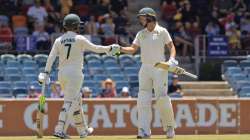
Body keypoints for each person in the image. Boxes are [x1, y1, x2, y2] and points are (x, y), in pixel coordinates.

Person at [38, 13, 120, 139]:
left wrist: (46, 72)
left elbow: (51, 57)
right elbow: (96, 48)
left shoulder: (58, 40)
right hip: (75, 73)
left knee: (77, 100)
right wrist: (110, 48)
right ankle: (59, 130)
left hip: (62, 74)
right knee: (70, 101)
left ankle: (83, 130)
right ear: (75, 26)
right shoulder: (80, 38)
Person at [113, 7, 184, 139]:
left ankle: (169, 128)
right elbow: (133, 49)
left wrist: (172, 59)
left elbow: (172, 47)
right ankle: (144, 131)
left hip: (160, 67)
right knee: (142, 99)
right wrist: (120, 49)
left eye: (142, 17)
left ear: (150, 17)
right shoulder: (141, 33)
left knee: (162, 98)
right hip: (145, 68)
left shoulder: (162, 31)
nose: (140, 20)